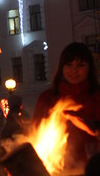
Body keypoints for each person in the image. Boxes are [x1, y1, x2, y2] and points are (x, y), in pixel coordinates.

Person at [32, 42, 100, 170]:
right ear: (61, 67)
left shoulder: (96, 98)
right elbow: (35, 134)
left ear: (89, 68)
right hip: (56, 169)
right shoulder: (47, 98)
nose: (74, 71)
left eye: (80, 65)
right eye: (69, 65)